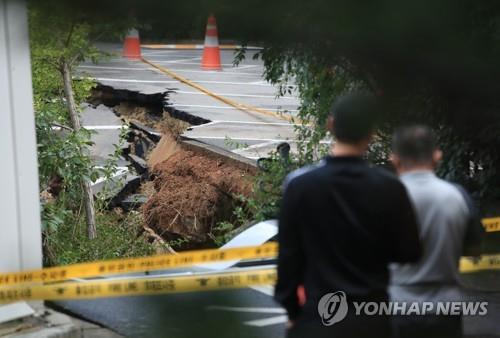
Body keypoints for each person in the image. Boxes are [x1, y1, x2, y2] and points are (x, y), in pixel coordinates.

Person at [274, 92, 422, 338]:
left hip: (317, 318)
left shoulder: (300, 185)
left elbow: (288, 257)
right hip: (371, 320)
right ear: (372, 133)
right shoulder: (390, 187)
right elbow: (410, 252)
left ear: (330, 124)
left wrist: (291, 311)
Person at [389, 125, 484, 338]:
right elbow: (475, 250)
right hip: (445, 307)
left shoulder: (381, 198)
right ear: (437, 156)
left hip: (396, 307)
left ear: (395, 159)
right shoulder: (458, 196)